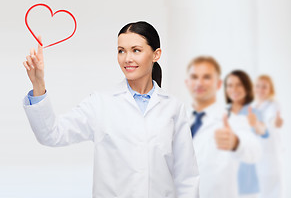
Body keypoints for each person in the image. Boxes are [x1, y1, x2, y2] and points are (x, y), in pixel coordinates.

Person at [22, 21, 200, 198]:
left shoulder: (173, 108)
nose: (127, 58)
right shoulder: (100, 103)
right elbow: (51, 134)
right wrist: (38, 84)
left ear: (156, 54)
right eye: (121, 51)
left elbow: (186, 177)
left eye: (136, 50)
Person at [185, 56, 261, 198]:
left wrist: (236, 143)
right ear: (187, 82)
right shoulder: (178, 120)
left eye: (206, 77)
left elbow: (254, 150)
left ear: (219, 84)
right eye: (194, 77)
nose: (199, 83)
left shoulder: (233, 120)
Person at [224, 70, 269, 198]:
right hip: (224, 181)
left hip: (247, 184)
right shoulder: (222, 113)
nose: (234, 89)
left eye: (239, 85)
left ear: (246, 87)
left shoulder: (253, 112)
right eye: (230, 85)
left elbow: (264, 132)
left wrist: (256, 125)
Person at [253, 75, 284, 198]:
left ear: (270, 89)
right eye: (258, 86)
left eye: (264, 87)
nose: (260, 89)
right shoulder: (254, 106)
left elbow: (273, 120)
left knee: (272, 191)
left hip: (270, 156)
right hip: (257, 156)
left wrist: (276, 122)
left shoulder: (273, 105)